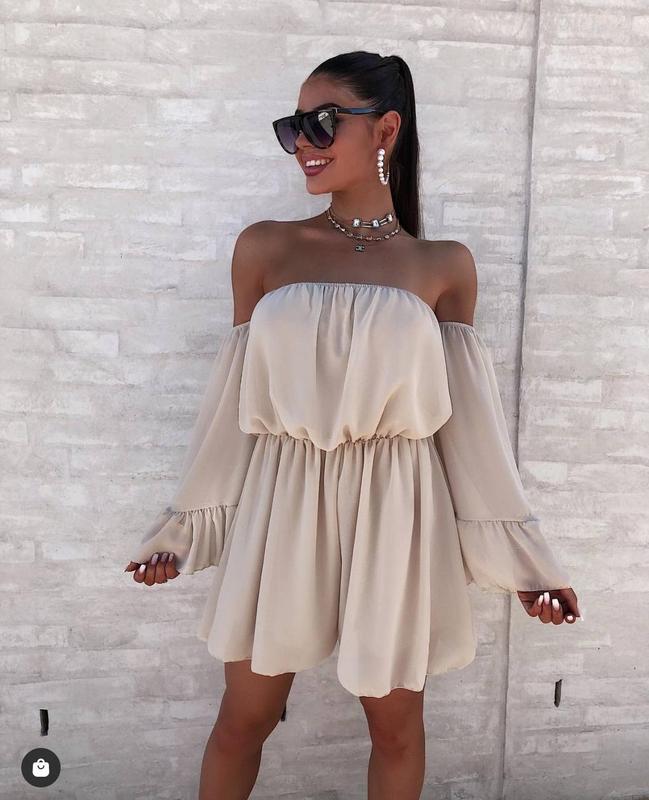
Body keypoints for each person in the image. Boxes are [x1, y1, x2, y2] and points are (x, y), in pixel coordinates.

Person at [123, 50, 581, 800]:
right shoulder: (265, 247)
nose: (302, 143)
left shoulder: (443, 265)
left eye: (322, 122)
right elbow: (234, 406)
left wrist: (526, 569)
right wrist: (185, 530)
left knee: (395, 729)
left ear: (385, 130)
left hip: (398, 507)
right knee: (243, 719)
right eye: (292, 127)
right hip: (282, 498)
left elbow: (467, 431)